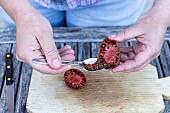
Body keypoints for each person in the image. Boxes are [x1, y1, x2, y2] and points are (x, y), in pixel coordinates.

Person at [0, 0, 170, 74]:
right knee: (35, 54)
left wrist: (162, 12)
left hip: (112, 4)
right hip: (27, 2)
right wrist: (22, 13)